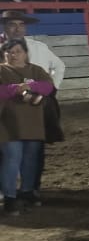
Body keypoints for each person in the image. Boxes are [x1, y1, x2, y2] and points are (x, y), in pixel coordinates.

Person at [0, 39, 55, 215]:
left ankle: (27, 192)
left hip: (33, 123)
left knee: (30, 159)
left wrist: (29, 86)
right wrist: (16, 89)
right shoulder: (1, 69)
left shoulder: (35, 70)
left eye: (17, 51)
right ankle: (9, 197)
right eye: (9, 52)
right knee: (11, 160)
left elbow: (48, 87)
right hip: (8, 124)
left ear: (25, 53)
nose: (13, 55)